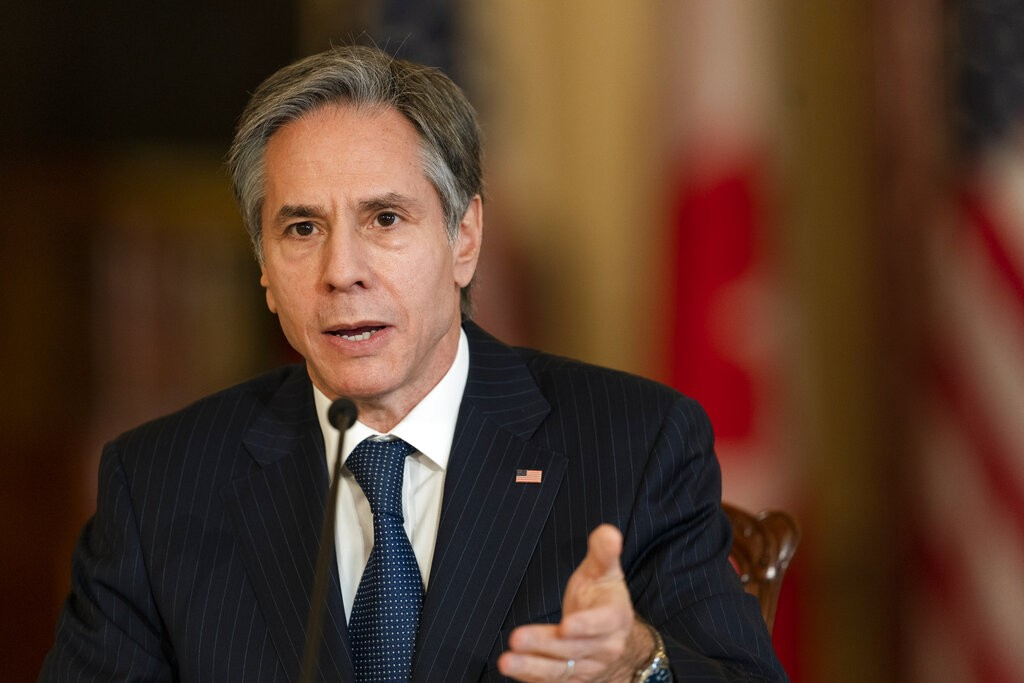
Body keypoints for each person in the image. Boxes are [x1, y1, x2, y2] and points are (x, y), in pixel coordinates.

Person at [40, 45, 787, 682]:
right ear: (263, 269)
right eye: (302, 229)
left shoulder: (634, 444)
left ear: (465, 238)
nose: (342, 272)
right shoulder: (158, 485)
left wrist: (638, 661)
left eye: (385, 218)